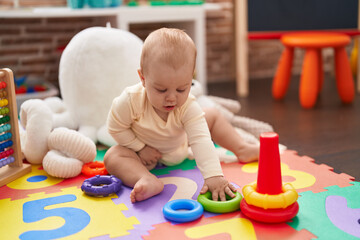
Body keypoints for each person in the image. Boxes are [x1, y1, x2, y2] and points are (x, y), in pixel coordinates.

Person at [104, 28, 259, 203]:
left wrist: (213, 176)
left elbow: (200, 140)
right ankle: (145, 178)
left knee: (212, 115)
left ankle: (241, 148)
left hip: (180, 147)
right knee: (112, 156)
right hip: (143, 157)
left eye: (181, 89)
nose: (171, 98)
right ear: (143, 78)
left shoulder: (188, 106)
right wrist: (139, 147)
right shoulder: (130, 100)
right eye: (161, 90)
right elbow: (115, 127)